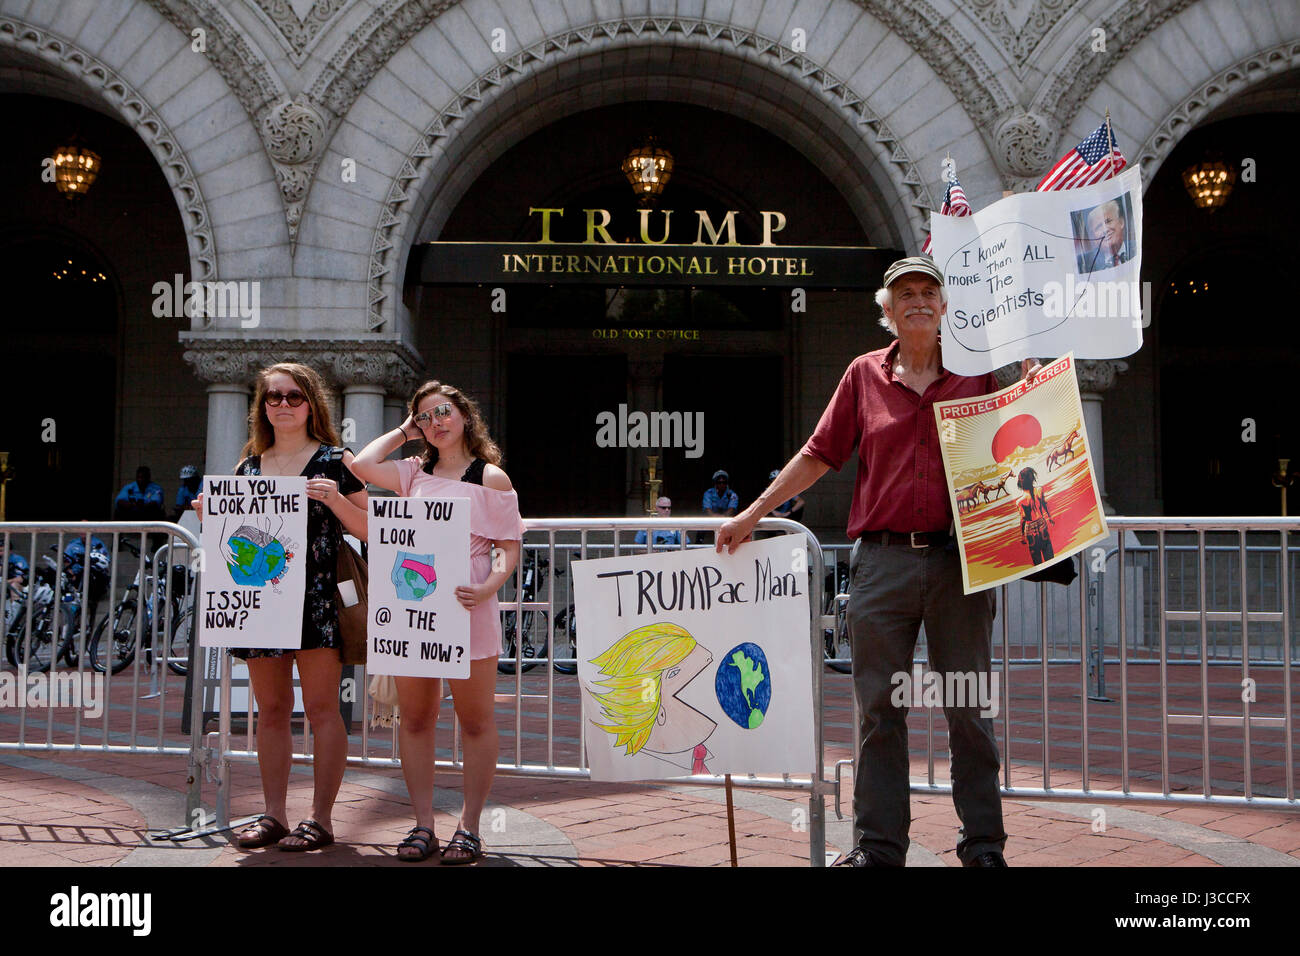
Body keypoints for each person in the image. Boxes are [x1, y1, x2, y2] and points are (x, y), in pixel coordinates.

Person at [717, 256, 1040, 868]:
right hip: (882, 566)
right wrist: (752, 514)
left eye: (928, 291)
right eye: (904, 294)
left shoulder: (980, 373)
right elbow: (818, 454)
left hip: (959, 565)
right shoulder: (863, 375)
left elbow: (1030, 437)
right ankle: (878, 846)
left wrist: (1033, 382)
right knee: (878, 710)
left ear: (945, 307)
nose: (917, 301)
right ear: (887, 311)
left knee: (969, 708)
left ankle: (984, 846)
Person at [193, 362, 368, 852]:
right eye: (274, 397)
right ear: (261, 406)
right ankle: (273, 813)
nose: (284, 405)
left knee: (321, 709)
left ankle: (321, 819)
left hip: (317, 601)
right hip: (263, 603)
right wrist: (210, 513)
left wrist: (336, 501)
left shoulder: (336, 461)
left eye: (294, 396)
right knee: (270, 710)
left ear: (312, 403)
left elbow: (372, 529)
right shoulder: (248, 466)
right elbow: (232, 538)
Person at [352, 381, 522, 864]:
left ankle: (469, 826)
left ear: (464, 415)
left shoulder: (490, 478)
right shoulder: (411, 472)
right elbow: (361, 467)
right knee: (419, 718)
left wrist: (490, 586)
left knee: (475, 720)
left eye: (444, 411)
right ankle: (423, 823)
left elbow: (508, 548)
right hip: (414, 611)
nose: (436, 422)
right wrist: (405, 431)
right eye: (426, 417)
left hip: (469, 608)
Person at [1077, 199, 1132, 272]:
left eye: (1108, 221)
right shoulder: (1083, 263)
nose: (1105, 230)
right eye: (1098, 227)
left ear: (1121, 222)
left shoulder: (1138, 247)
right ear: (1093, 237)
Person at [1017, 467, 1055, 564]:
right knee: (1048, 553)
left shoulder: (1020, 501)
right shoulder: (1039, 490)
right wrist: (1050, 517)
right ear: (1032, 478)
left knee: (1036, 557)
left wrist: (1022, 535)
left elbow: (1023, 518)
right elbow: (1044, 504)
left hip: (1030, 529)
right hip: (1041, 523)